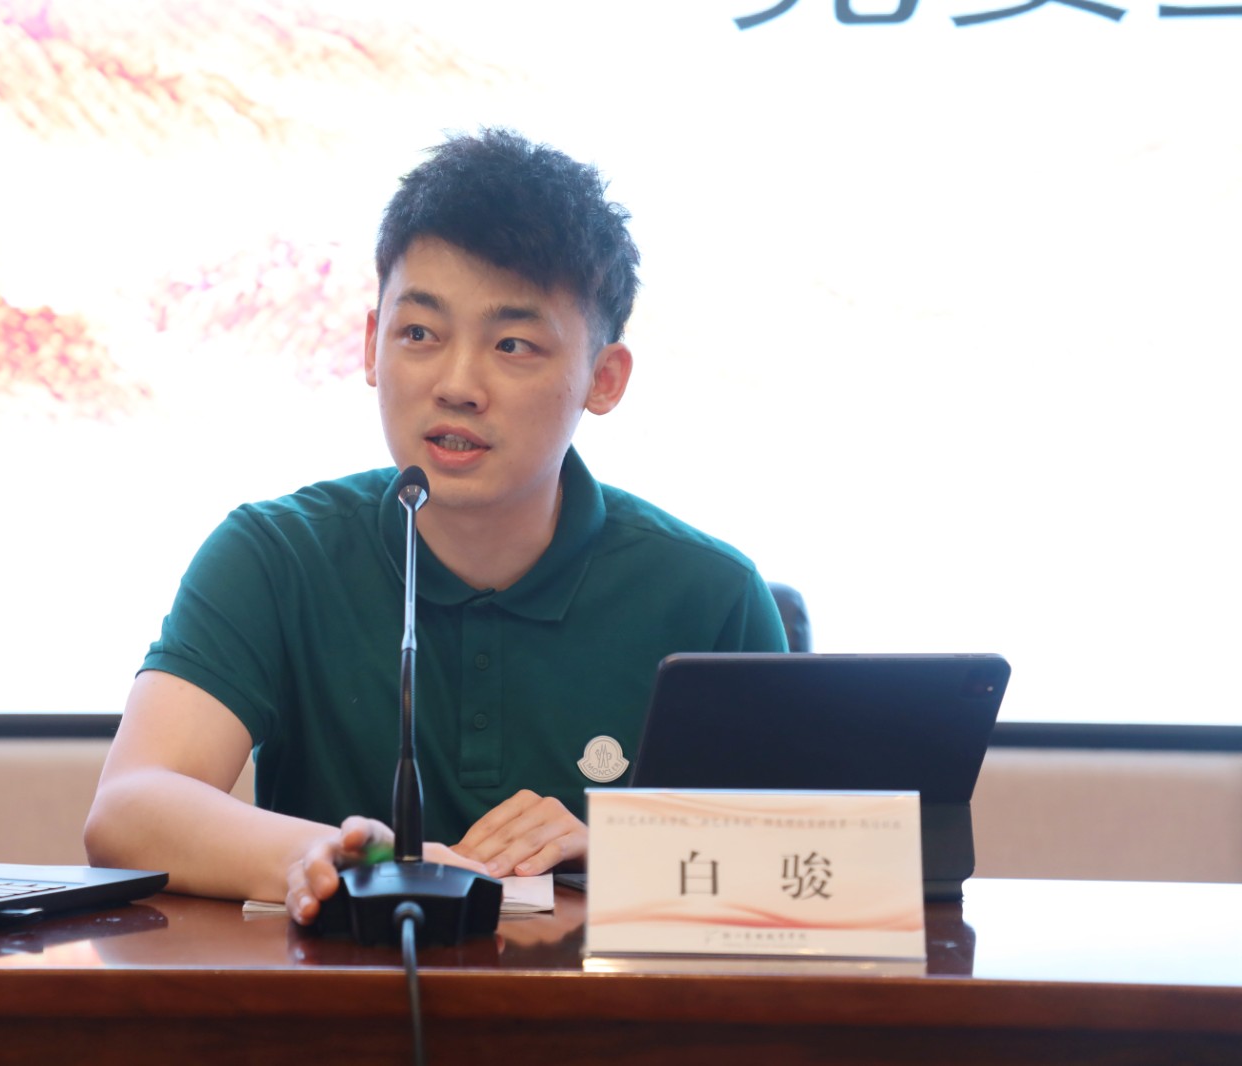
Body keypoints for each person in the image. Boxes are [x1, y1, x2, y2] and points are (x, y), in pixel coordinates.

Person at [84, 128, 787, 925]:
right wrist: (328, 858)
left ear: (604, 378)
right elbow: (130, 811)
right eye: (419, 333)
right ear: (371, 345)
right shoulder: (274, 556)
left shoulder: (710, 594)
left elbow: (817, 868)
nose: (457, 385)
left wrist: (620, 848)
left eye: (513, 344)